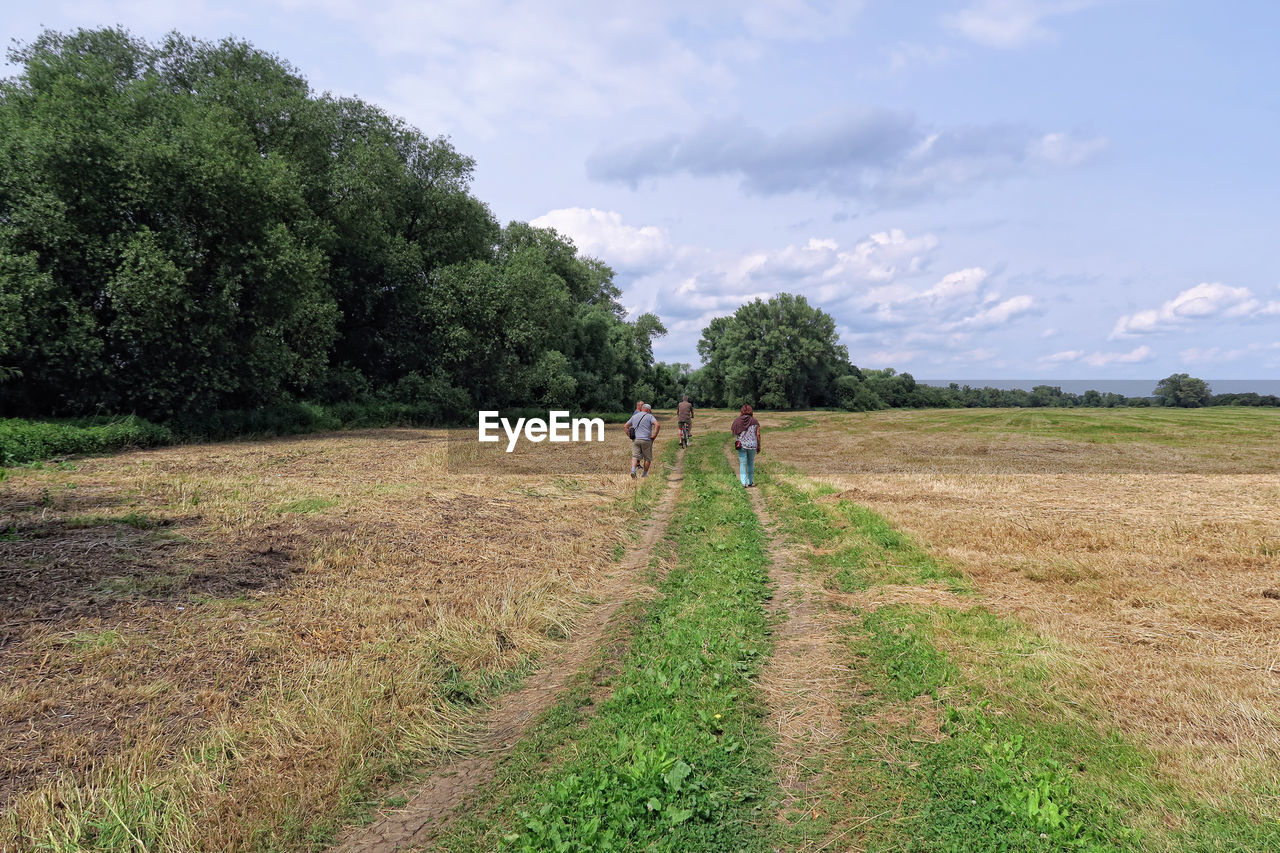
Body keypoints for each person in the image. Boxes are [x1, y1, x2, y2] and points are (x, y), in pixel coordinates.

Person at [623, 401, 660, 478]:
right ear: (648, 410)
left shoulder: (634, 416)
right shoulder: (649, 416)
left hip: (636, 440)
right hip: (646, 440)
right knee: (648, 458)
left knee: (635, 456)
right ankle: (644, 474)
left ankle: (633, 470)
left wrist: (629, 435)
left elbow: (625, 426)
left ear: (642, 408)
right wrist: (654, 435)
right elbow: (657, 425)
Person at [730, 404, 761, 487]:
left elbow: (734, 430)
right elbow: (758, 434)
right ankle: (750, 482)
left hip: (742, 445)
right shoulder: (755, 421)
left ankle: (743, 483)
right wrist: (759, 446)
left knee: (742, 464)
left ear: (742, 411)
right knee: (750, 464)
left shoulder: (738, 421)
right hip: (752, 446)